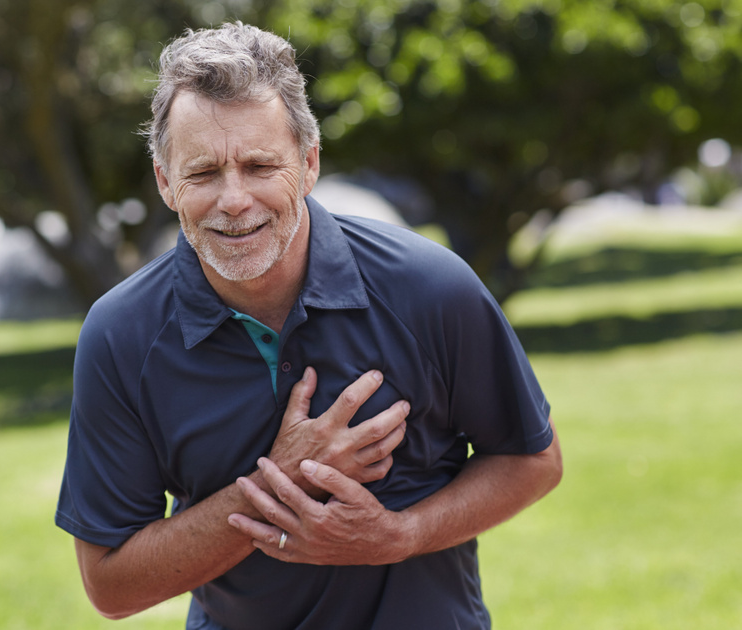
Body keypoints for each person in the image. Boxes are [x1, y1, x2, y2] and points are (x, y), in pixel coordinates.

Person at [55, 21, 562, 630]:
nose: (234, 199)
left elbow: (534, 460)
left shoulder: (430, 287)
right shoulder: (119, 335)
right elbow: (111, 586)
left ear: (309, 161)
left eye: (260, 165)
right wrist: (275, 481)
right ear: (166, 182)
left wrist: (400, 535)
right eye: (204, 173)